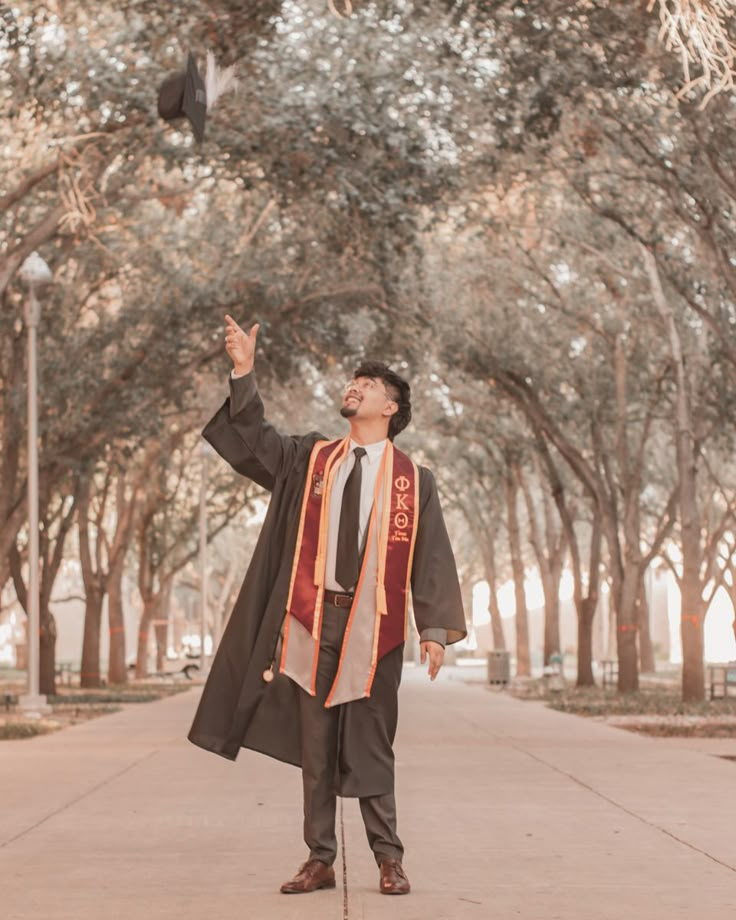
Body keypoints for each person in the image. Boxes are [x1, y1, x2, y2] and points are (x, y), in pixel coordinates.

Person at [188, 314, 466, 895]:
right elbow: (256, 440)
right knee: (316, 744)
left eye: (366, 384)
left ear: (391, 407)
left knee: (370, 741)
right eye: (352, 381)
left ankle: (389, 857)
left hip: (375, 629)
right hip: (311, 619)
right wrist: (244, 371)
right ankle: (319, 857)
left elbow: (432, 557)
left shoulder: (414, 482)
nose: (353, 387)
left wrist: (434, 628)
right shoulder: (311, 461)